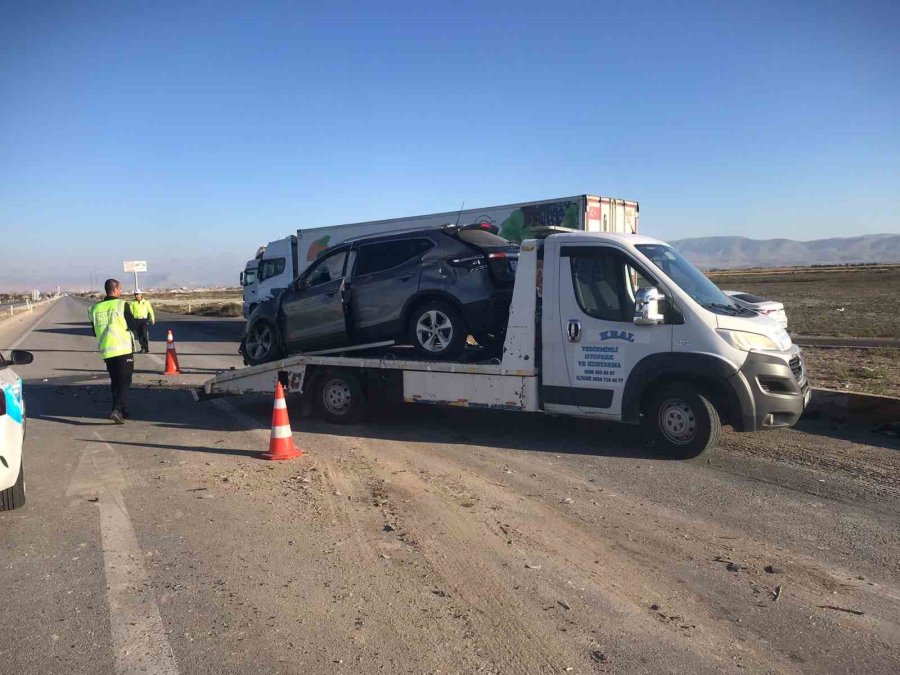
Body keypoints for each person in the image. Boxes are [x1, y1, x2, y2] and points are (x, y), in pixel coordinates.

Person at [88, 279, 136, 424]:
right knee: (125, 382)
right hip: (122, 350)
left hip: (107, 351)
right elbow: (132, 325)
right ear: (115, 290)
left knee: (116, 382)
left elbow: (94, 332)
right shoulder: (121, 305)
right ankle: (116, 410)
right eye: (120, 289)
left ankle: (122, 410)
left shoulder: (94, 309)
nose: (121, 291)